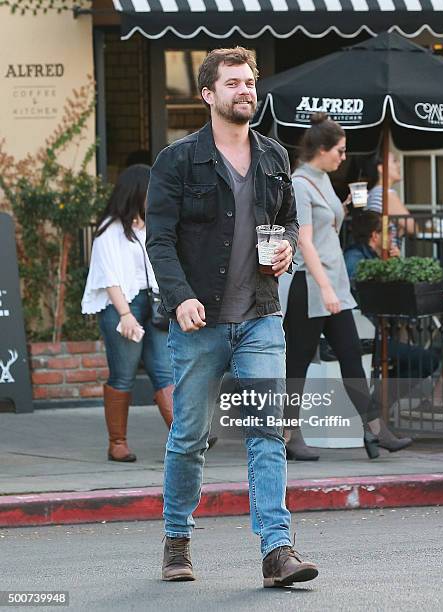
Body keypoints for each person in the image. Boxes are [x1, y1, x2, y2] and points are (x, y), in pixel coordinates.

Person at [146, 47, 318, 587]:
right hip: (200, 321)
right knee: (191, 436)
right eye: (234, 83)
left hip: (262, 317)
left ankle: (277, 550)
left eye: (250, 82)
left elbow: (287, 220)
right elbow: (160, 240)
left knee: (266, 432)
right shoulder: (177, 161)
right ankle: (177, 538)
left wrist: (288, 246)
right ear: (207, 94)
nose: (246, 90)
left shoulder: (274, 156)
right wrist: (180, 297)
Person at [281, 113, 411, 463]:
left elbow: (326, 224)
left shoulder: (322, 179)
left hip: (330, 285)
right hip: (311, 285)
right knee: (298, 362)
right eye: (339, 150)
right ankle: (288, 434)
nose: (343, 157)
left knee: (352, 356)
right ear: (321, 149)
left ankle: (375, 430)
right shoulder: (298, 183)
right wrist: (324, 289)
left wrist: (346, 206)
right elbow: (305, 242)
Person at [81, 165, 175, 462]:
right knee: (123, 374)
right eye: (152, 191)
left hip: (155, 306)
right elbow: (108, 277)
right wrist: (125, 315)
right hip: (123, 308)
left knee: (165, 371)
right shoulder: (109, 230)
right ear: (136, 192)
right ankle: (117, 443)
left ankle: (185, 436)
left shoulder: (152, 226)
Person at [345, 210, 438, 399]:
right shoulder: (354, 259)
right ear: (375, 235)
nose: (393, 234)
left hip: (379, 333)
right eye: (389, 230)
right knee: (426, 360)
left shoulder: (374, 258)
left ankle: (377, 404)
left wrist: (393, 264)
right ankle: (376, 407)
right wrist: (387, 268)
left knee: (423, 359)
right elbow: (372, 297)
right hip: (361, 337)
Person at [365, 151, 416, 243]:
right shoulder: (386, 194)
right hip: (388, 254)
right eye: (394, 161)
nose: (399, 164)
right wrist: (402, 229)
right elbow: (412, 228)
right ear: (381, 168)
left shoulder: (373, 192)